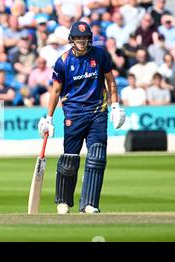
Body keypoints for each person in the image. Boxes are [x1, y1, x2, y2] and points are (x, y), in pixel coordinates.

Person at [38, 21, 126, 214]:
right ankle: (63, 201)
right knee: (70, 159)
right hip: (74, 114)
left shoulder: (100, 54)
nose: (82, 41)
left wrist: (115, 105)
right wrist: (49, 118)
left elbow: (110, 81)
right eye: (78, 37)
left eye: (85, 38)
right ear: (71, 39)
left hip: (98, 112)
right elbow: (55, 91)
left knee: (97, 157)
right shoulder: (63, 61)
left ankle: (89, 204)